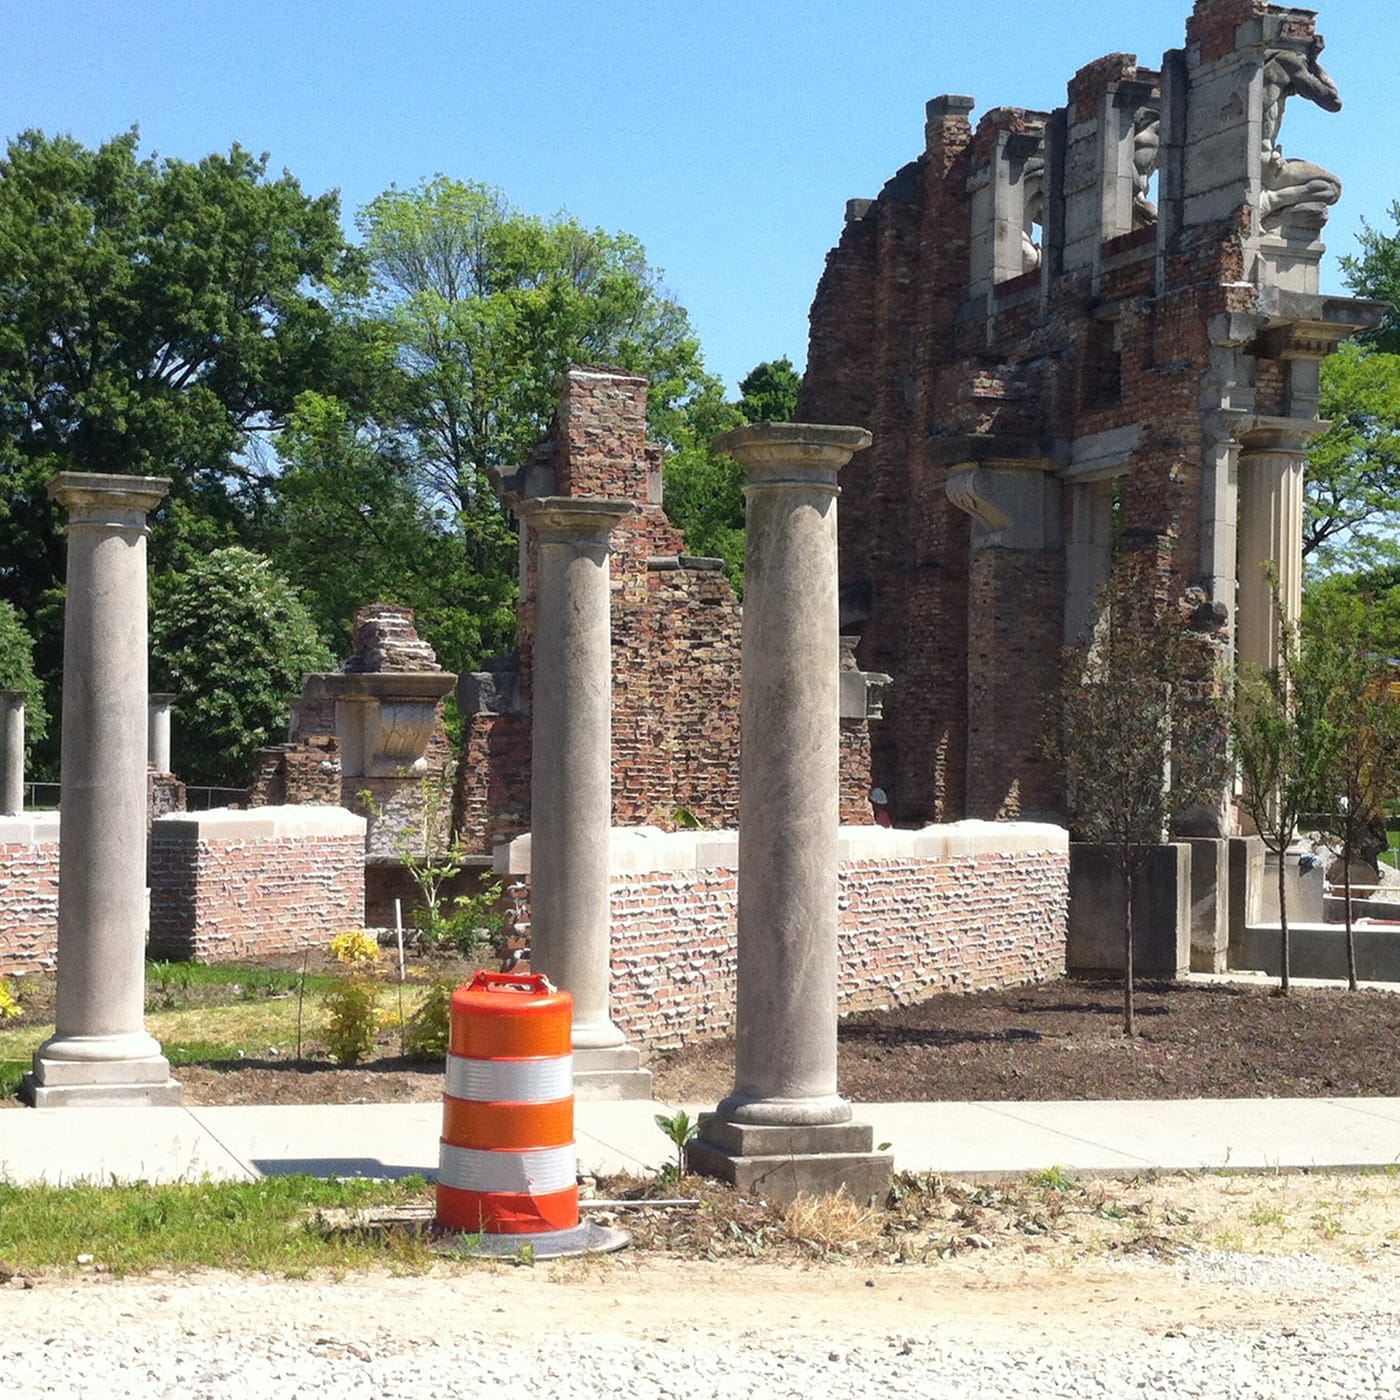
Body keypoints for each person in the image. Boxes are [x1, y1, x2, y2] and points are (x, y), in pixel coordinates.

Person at [1258, 36, 1343, 227]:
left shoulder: (1244, 71)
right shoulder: (1287, 61)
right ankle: (1271, 200)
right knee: (1331, 188)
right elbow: (1333, 101)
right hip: (1264, 167)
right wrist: (1313, 62)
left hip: (1250, 163)